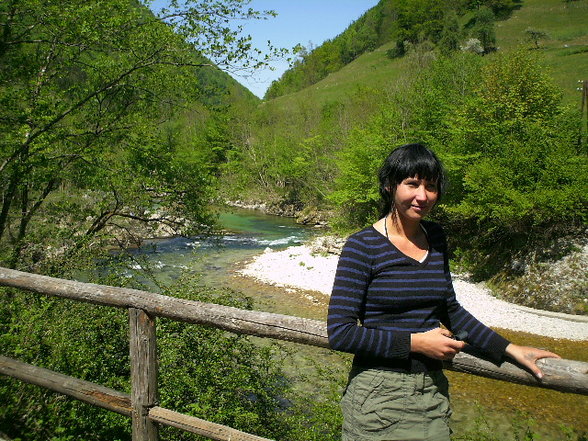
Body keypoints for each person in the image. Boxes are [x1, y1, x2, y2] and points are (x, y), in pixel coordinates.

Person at [327, 143, 560, 441]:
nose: (422, 196)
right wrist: (416, 343)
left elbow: (450, 310)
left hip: (433, 389)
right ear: (389, 186)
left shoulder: (435, 236)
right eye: (412, 184)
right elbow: (341, 332)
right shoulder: (362, 246)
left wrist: (509, 349)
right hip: (377, 394)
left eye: (431, 186)